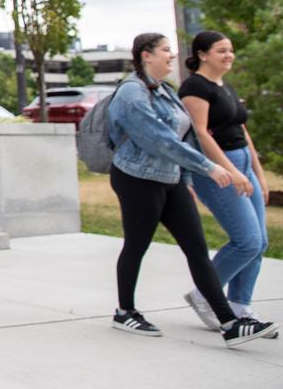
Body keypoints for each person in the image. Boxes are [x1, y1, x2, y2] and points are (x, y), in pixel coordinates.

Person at [106, 32, 276, 346]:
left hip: (171, 179)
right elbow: (159, 140)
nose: (172, 55)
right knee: (137, 244)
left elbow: (186, 138)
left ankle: (229, 323)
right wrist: (210, 168)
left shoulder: (165, 91)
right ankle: (124, 311)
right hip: (137, 179)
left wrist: (187, 179)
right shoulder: (131, 93)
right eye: (166, 50)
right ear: (146, 55)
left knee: (197, 250)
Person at [178, 30, 272, 332]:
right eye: (221, 51)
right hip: (217, 170)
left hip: (242, 163)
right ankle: (206, 293)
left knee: (260, 243)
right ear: (203, 54)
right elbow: (202, 134)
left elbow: (242, 131)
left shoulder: (224, 86)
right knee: (247, 241)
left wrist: (257, 173)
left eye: (230, 50)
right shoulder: (194, 87)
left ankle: (240, 305)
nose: (229, 55)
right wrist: (231, 171)